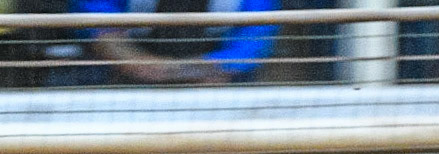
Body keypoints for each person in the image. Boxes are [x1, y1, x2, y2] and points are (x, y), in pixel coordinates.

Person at [63, 0, 281, 85]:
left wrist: (208, 69)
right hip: (123, 84)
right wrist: (141, 65)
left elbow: (253, 40)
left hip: (217, 89)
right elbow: (98, 25)